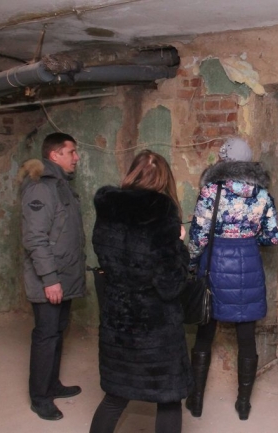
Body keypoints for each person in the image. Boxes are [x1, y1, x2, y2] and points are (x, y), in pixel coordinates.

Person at [89, 150, 192, 433]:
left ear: (133, 173)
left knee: (114, 398)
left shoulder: (107, 209)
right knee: (168, 399)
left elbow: (108, 259)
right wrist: (180, 245)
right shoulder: (163, 214)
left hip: (118, 319)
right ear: (164, 179)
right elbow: (170, 285)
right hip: (156, 327)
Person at [186, 137, 278, 421]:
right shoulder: (262, 194)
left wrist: (190, 264)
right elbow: (273, 237)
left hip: (214, 266)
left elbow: (199, 237)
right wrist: (249, 239)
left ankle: (196, 400)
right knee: (246, 337)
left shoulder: (211, 191)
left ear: (225, 160)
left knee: (205, 334)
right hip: (248, 266)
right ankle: (243, 404)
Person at [19, 132, 86, 421]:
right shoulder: (41, 188)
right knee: (46, 336)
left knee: (57, 332)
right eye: (71, 152)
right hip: (50, 279)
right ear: (55, 154)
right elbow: (35, 239)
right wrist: (50, 279)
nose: (76, 157)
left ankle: (51, 384)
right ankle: (40, 397)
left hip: (64, 275)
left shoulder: (60, 184)